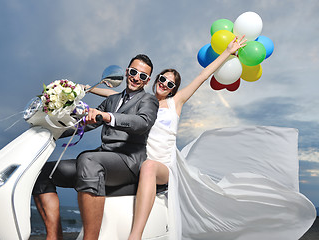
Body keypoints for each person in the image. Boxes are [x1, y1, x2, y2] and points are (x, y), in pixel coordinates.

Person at [88, 35, 316, 240]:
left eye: (170, 84)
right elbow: (111, 94)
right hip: (142, 160)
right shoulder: (141, 101)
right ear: (154, 79)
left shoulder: (175, 103)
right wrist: (84, 88)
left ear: (173, 89)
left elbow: (203, 75)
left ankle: (134, 236)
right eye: (162, 79)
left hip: (165, 165)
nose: (165, 84)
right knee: (136, 166)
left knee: (148, 167)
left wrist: (227, 52)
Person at [32, 54, 159, 240]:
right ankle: (54, 236)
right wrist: (49, 127)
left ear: (147, 81)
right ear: (126, 72)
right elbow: (84, 124)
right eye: (133, 72)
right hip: (102, 159)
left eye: (142, 76)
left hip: (128, 162)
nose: (136, 78)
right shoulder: (112, 100)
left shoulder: (148, 101)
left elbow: (142, 123)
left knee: (88, 159)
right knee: (43, 172)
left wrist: (108, 117)